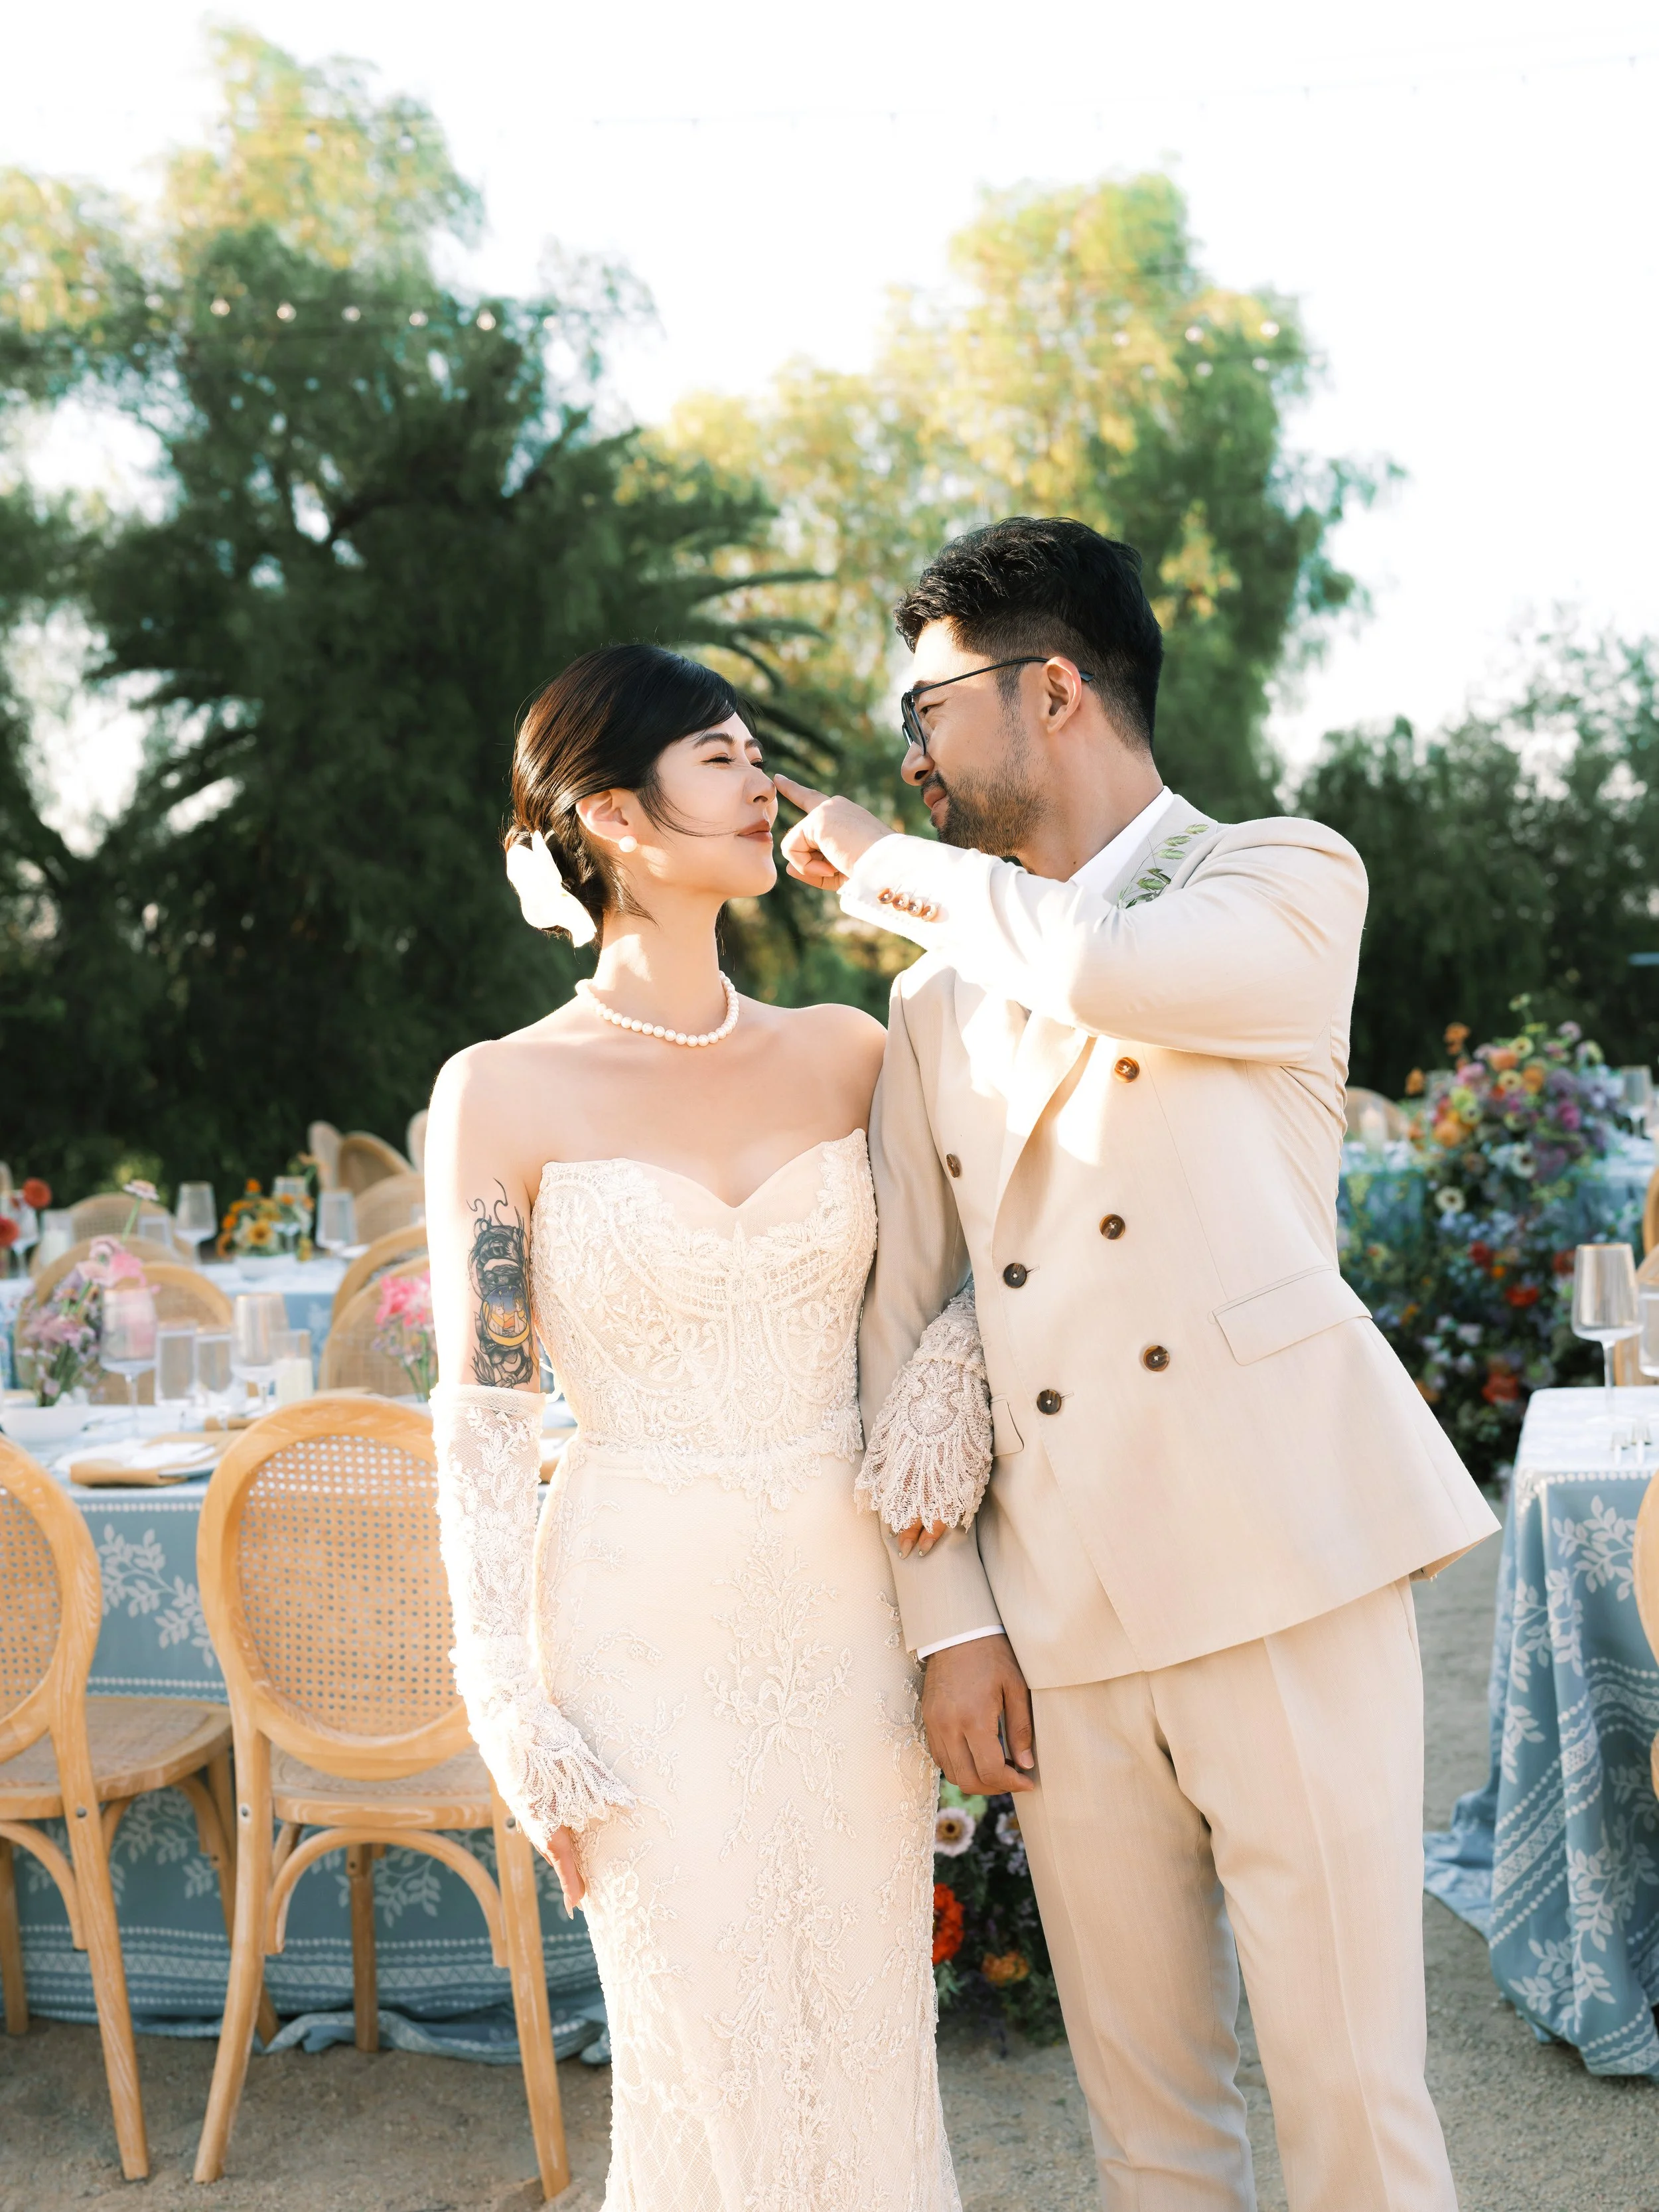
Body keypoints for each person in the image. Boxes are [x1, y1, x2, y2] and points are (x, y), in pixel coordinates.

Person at [777, 516, 1500, 2212]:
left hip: (1286, 1576)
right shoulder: (932, 1008)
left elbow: (1111, 969)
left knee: (1351, 2105)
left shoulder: (1278, 876)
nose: (910, 752)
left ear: (1049, 691)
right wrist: (948, 1618)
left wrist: (887, 861)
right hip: (1066, 1618)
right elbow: (900, 1323)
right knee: (1146, 2128)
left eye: (928, 703)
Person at [424, 644, 960, 2211]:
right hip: (637, 1620)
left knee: (866, 2030)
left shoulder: (853, 1051)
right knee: (704, 2047)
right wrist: (508, 1706)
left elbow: (958, 1289)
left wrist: (948, 1402)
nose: (765, 783)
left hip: (845, 1601)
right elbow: (480, 1419)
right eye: (721, 759)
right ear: (614, 816)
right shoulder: (500, 1090)